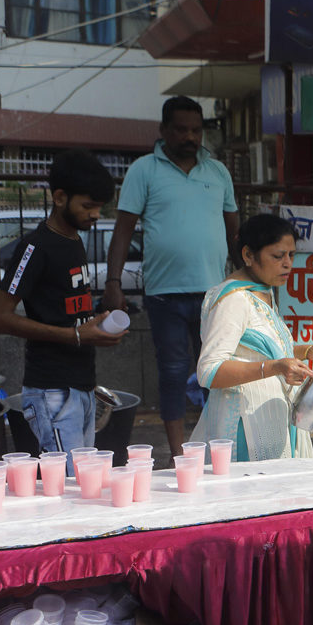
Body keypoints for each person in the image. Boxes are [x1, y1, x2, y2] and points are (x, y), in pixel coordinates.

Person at [104, 96, 239, 456]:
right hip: (165, 294)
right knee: (174, 373)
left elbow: (234, 232)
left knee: (218, 375)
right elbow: (122, 230)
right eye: (181, 129)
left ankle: (219, 448)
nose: (190, 137)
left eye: (196, 130)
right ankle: (180, 453)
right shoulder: (144, 170)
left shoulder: (218, 172)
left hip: (215, 294)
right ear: (164, 131)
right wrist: (113, 283)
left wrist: (245, 282)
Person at [0, 150, 127, 467]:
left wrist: (98, 324)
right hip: (52, 391)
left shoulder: (74, 240)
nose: (95, 214)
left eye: (99, 207)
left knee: (84, 482)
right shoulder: (35, 247)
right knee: (71, 485)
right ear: (60, 197)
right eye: (88, 206)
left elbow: (68, 310)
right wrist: (76, 335)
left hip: (82, 386)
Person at [189, 215, 313, 460]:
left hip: (270, 420)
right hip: (244, 427)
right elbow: (209, 371)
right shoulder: (233, 300)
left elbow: (257, 350)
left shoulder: (263, 291)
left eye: (292, 255)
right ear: (248, 255)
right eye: (278, 256)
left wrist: (307, 351)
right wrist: (274, 367)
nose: (287, 264)